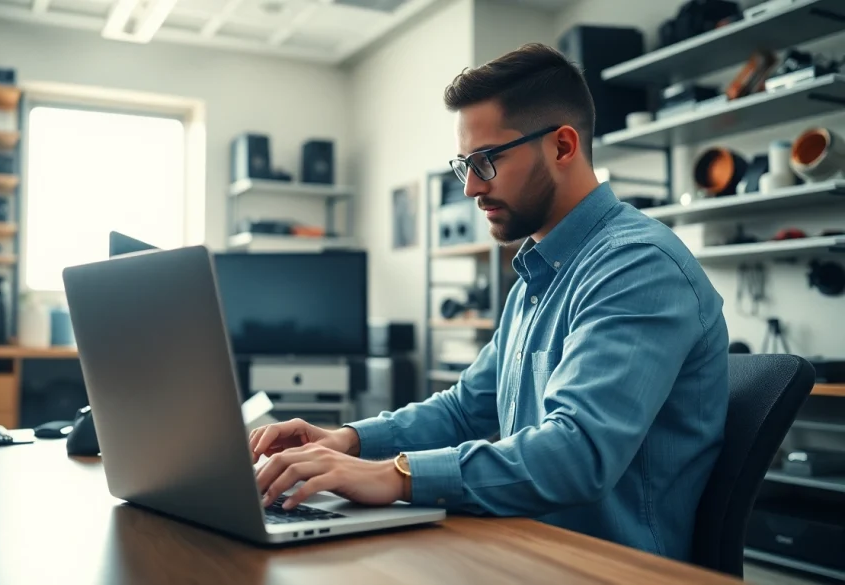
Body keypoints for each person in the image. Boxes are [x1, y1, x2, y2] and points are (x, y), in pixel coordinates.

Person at [251, 42, 729, 561]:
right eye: (465, 165)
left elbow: (578, 453)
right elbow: (464, 411)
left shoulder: (638, 266)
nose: (472, 188)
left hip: (607, 568)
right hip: (522, 546)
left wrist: (393, 475)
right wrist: (348, 441)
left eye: (486, 161)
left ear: (563, 147)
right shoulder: (535, 275)